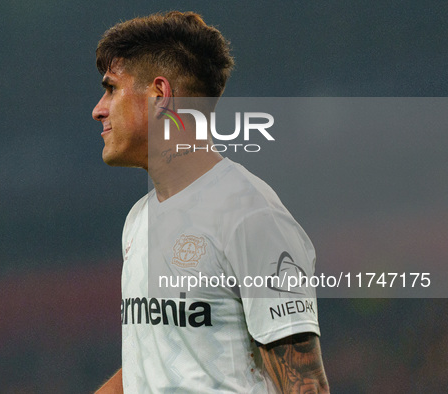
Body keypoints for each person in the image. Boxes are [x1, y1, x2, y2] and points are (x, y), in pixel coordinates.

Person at [92, 11, 329, 393]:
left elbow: (306, 384)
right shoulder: (138, 220)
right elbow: (154, 368)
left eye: (111, 89)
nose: (98, 108)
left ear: (159, 95)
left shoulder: (250, 216)